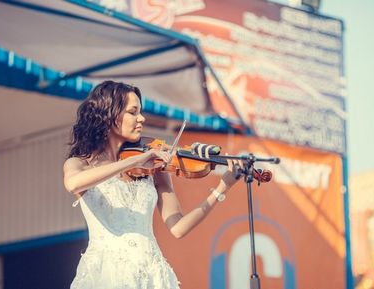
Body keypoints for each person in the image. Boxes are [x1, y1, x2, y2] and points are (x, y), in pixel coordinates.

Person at [63, 80, 242, 289]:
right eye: (133, 112)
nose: (142, 118)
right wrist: (137, 160)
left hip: (152, 275)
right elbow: (73, 184)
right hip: (107, 273)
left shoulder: (153, 168)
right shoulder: (80, 163)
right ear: (109, 115)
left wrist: (222, 189)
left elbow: (178, 228)